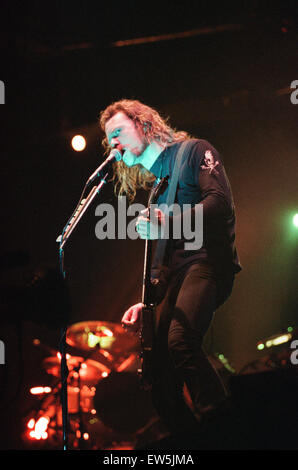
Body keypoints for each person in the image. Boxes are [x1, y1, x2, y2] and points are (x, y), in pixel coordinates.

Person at [99, 99, 241, 437]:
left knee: (180, 341)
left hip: (207, 263)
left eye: (117, 132)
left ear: (144, 124)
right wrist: (147, 300)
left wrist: (170, 223)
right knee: (158, 381)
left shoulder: (194, 152)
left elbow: (220, 203)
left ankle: (228, 431)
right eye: (109, 139)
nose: (113, 144)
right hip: (179, 277)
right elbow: (166, 261)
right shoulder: (158, 190)